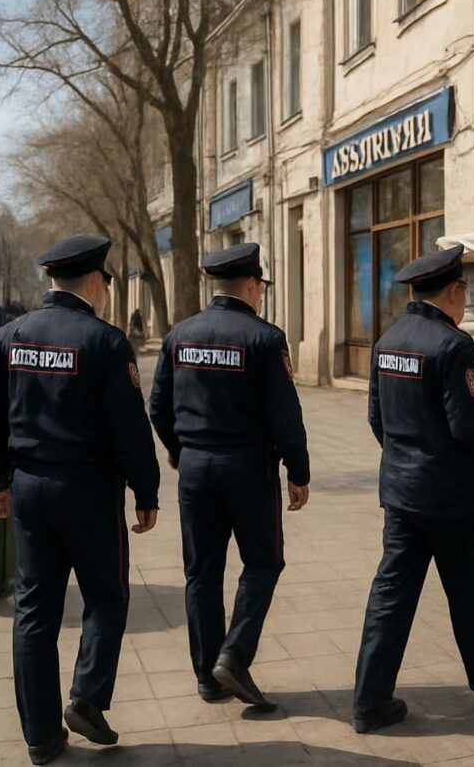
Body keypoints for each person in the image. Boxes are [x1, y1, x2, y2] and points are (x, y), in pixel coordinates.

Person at [0, 235, 161, 765]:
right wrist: (146, 491)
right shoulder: (105, 341)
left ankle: (41, 737)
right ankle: (87, 699)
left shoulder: (10, 336)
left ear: (53, 280)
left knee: (34, 611)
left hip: (29, 490)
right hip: (90, 495)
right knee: (106, 598)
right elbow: (130, 429)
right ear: (97, 283)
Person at [353, 244, 474, 734]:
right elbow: (467, 426)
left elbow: (378, 420)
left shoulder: (388, 341)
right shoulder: (453, 345)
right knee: (473, 595)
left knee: (391, 596)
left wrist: (407, 458)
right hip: (450, 498)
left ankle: (370, 700)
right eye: (465, 291)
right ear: (454, 291)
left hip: (401, 494)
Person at [149, 243, 310, 707]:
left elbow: (158, 406)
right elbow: (285, 415)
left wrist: (181, 452)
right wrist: (297, 471)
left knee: (202, 572)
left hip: (196, 469)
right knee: (263, 562)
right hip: (247, 469)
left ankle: (207, 676)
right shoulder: (264, 338)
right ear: (252, 286)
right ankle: (234, 656)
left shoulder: (180, 335)